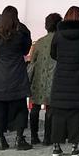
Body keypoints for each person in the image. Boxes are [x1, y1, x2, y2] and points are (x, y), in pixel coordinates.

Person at [0, 5, 33, 150]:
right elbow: (26, 50)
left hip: (0, 74)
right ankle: (19, 138)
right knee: (20, 107)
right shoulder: (21, 33)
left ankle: (1, 139)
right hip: (17, 73)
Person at [49, 5, 79, 156]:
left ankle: (56, 146)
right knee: (75, 113)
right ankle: (74, 147)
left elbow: (53, 54)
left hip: (60, 77)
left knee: (58, 113)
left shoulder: (58, 34)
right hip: (77, 77)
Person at [28, 12, 59, 146]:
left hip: (38, 78)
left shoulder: (39, 42)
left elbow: (32, 61)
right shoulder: (59, 41)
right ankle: (47, 137)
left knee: (35, 107)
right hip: (53, 77)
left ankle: (34, 136)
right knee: (50, 108)